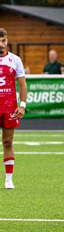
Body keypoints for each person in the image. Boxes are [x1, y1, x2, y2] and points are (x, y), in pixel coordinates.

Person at [0, 28, 27, 189]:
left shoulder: (15, 60)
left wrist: (22, 106)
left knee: (8, 142)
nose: (1, 44)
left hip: (9, 107)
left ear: (7, 41)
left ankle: (8, 179)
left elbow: (22, 84)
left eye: (3, 40)